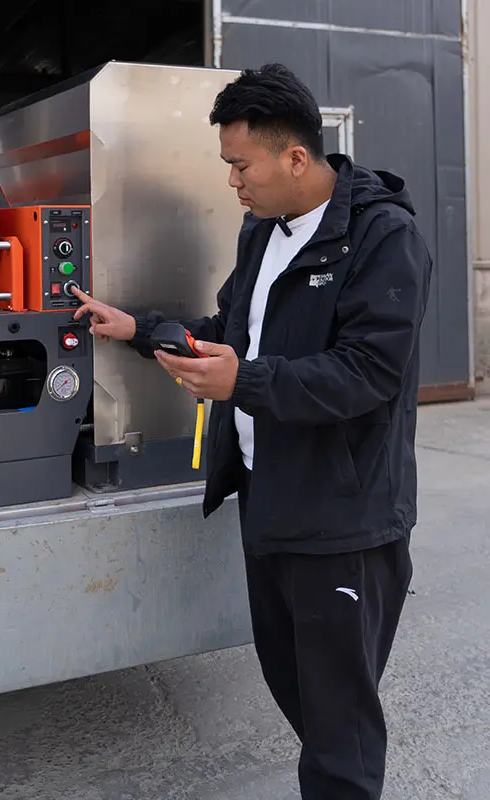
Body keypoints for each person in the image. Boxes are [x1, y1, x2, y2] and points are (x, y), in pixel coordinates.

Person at [71, 63, 432, 800]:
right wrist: (140, 329)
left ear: (295, 157)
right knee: (296, 686)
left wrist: (247, 382)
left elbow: (369, 375)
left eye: (241, 164)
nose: (233, 181)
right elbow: (228, 333)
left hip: (344, 522)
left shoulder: (382, 238)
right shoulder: (261, 233)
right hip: (268, 506)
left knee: (338, 726)